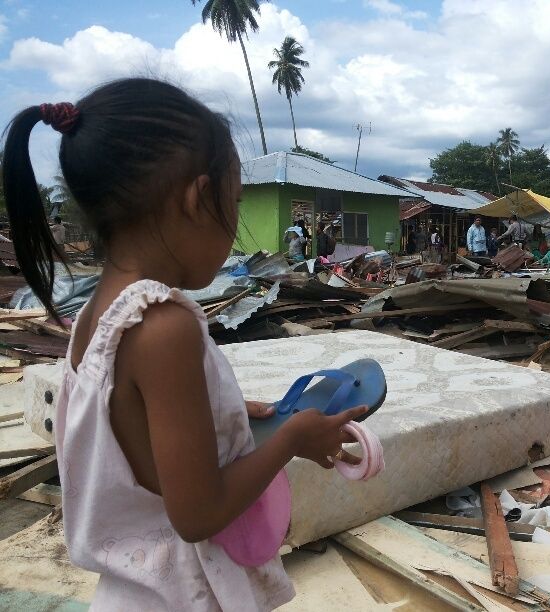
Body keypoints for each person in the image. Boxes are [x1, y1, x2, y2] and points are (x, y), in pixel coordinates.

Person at [1, 78, 368, 610]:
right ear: (198, 198)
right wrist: (291, 439)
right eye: (235, 202)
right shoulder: (164, 325)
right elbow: (197, 515)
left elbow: (123, 425)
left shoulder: (95, 318)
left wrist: (214, 413)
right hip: (187, 594)